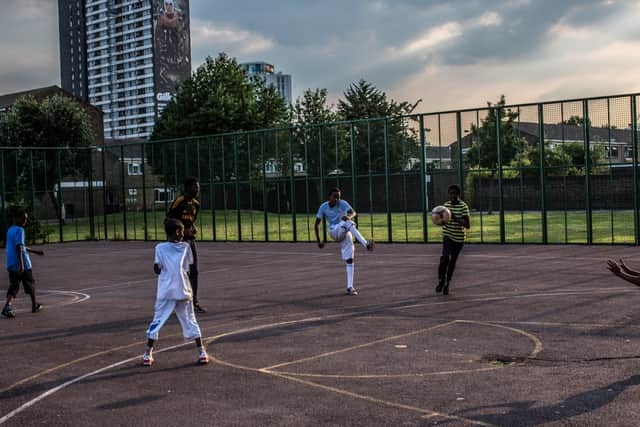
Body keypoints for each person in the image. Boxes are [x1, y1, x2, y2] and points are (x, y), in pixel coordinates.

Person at [143, 219, 208, 366]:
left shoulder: (171, 247)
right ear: (170, 232)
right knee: (165, 320)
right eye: (179, 231)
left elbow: (157, 269)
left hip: (171, 290)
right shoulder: (182, 247)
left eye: (182, 231)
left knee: (186, 319)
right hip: (179, 289)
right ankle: (148, 352)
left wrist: (159, 268)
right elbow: (187, 267)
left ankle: (202, 351)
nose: (181, 234)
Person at [315, 188, 375, 295]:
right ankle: (366, 244)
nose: (337, 199)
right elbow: (316, 224)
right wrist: (319, 241)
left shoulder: (342, 203)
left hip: (343, 231)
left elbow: (353, 212)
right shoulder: (323, 207)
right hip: (333, 231)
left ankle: (350, 287)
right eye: (335, 196)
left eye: (338, 197)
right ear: (330, 197)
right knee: (348, 223)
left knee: (350, 259)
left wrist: (348, 216)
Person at [167, 176, 204, 313]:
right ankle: (175, 302)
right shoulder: (179, 201)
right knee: (177, 272)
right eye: (195, 187)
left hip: (189, 241)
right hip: (178, 241)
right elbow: (169, 220)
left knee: (193, 271)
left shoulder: (196, 204)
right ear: (188, 188)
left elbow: (191, 221)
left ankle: (193, 301)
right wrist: (180, 230)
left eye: (198, 187)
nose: (197, 190)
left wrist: (192, 227)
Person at [2, 208, 44, 318]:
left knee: (14, 285)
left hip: (11, 263)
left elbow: (20, 246)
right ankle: (34, 305)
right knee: (30, 283)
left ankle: (7, 306)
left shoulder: (10, 230)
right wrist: (21, 266)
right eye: (24, 218)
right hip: (23, 263)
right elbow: (19, 248)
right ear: (17, 218)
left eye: (26, 218)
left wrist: (35, 251)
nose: (25, 220)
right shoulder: (20, 230)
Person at [436, 184, 470, 295]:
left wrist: (454, 217)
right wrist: (438, 220)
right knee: (445, 258)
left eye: (454, 193)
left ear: (458, 195)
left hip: (459, 239)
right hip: (448, 235)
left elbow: (467, 225)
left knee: (452, 262)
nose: (452, 195)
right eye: (451, 193)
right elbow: (441, 220)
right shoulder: (445, 206)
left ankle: (447, 283)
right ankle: (441, 280)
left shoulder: (463, 207)